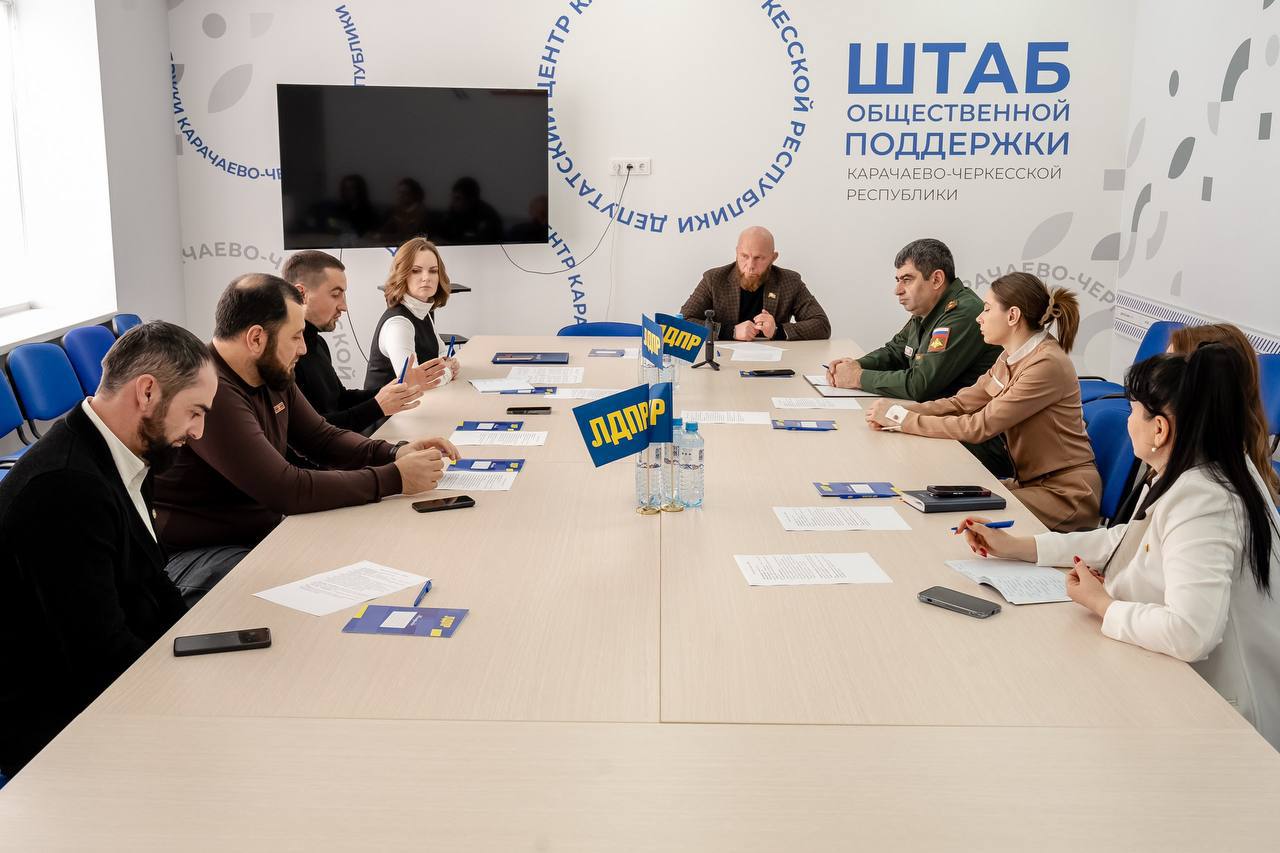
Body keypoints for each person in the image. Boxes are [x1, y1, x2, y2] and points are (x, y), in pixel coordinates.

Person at [957, 344, 1280, 749]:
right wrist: (1019, 546)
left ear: (1159, 430)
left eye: (1132, 411)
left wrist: (1101, 604)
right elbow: (1122, 538)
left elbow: (1190, 633)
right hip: (1181, 685)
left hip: (1221, 717)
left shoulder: (1204, 499)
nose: (1127, 422)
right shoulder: (1196, 468)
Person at [153, 274, 458, 604]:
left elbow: (321, 438)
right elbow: (286, 489)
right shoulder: (211, 390)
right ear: (256, 339)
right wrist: (395, 478)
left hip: (259, 533)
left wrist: (394, 453)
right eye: (296, 336)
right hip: (203, 556)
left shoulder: (270, 369)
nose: (303, 348)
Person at [0, 322, 218, 775]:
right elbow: (97, 657)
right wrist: (192, 697)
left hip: (107, 679)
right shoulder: (63, 488)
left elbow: (152, 581)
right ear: (147, 392)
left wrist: (198, 649)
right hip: (53, 722)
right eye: (194, 412)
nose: (198, 431)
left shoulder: (128, 450)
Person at [866, 273, 1100, 532]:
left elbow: (980, 426)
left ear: (1012, 316)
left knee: (958, 516)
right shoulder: (1010, 356)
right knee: (937, 499)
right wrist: (900, 411)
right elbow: (961, 404)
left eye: (987, 309)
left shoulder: (1045, 364)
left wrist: (901, 419)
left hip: (1065, 496)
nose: (979, 317)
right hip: (1031, 484)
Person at [283, 250, 446, 434]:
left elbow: (340, 399)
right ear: (301, 294)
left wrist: (393, 389)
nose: (344, 306)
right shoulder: (283, 357)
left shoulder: (318, 343)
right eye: (335, 294)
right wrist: (378, 406)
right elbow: (311, 431)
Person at [827, 238, 999, 399]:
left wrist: (858, 377)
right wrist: (855, 365)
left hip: (964, 417)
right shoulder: (927, 309)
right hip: (939, 411)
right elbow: (895, 352)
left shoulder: (962, 313)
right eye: (898, 280)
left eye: (907, 280)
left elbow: (920, 384)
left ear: (936, 279)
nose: (897, 290)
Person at [680, 225, 830, 341]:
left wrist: (777, 331)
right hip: (723, 361)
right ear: (736, 252)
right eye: (744, 256)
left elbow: (822, 325)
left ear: (773, 257)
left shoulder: (790, 281)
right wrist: (730, 331)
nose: (750, 265)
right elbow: (682, 323)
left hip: (775, 364)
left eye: (759, 258)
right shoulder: (713, 279)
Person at [364, 237, 461, 390]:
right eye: (416, 271)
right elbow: (412, 383)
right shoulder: (398, 324)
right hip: (392, 406)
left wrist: (449, 364)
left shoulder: (423, 311)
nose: (426, 278)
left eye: (433, 271)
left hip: (419, 401)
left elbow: (442, 353)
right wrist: (448, 371)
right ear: (402, 274)